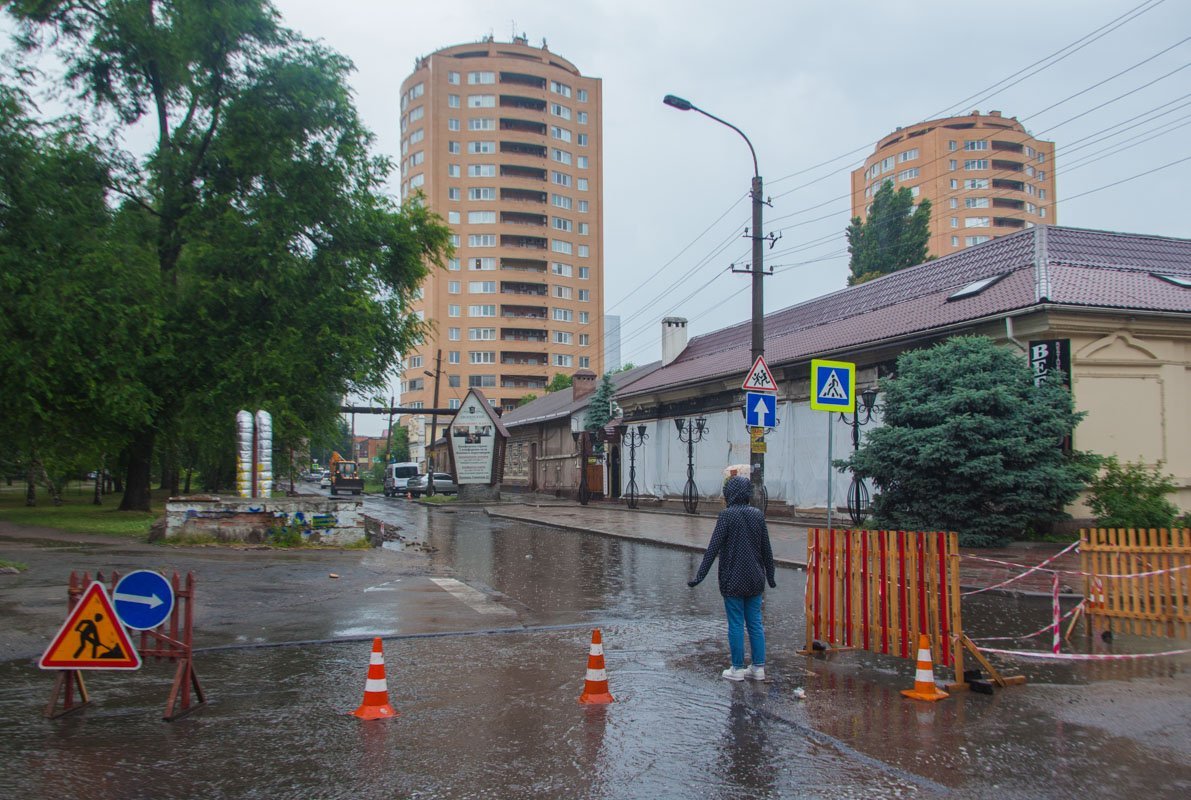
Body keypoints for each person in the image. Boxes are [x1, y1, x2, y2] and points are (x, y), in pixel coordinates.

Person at [688, 475, 776, 681]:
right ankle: (758, 667)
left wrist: (700, 576)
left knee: (736, 623)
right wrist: (770, 577)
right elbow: (767, 550)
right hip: (756, 578)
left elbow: (713, 549)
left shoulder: (727, 516)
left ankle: (737, 668)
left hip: (733, 578)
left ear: (730, 494)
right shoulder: (757, 515)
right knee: (755, 622)